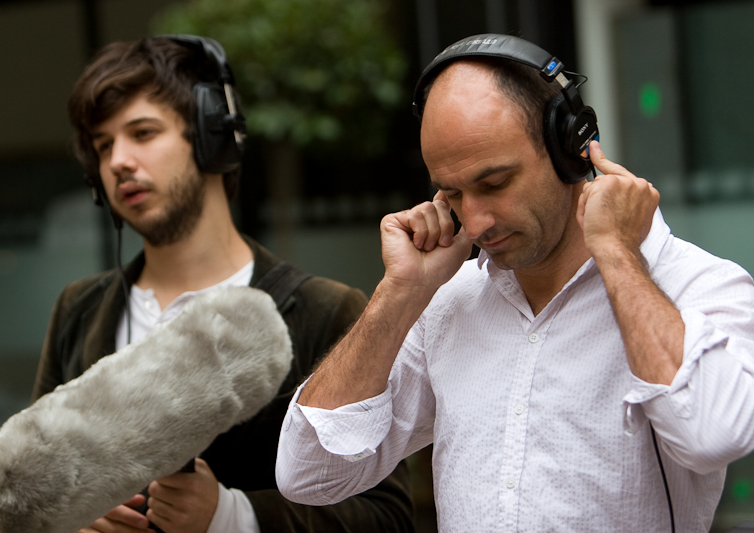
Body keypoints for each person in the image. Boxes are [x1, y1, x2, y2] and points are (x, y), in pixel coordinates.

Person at [275, 34, 754, 532]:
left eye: (495, 183)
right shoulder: (446, 303)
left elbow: (714, 435)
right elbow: (308, 475)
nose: (476, 223)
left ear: (571, 147)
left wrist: (617, 253)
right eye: (453, 193)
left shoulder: (697, 284)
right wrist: (401, 293)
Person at [31, 35, 414, 533]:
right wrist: (72, 517)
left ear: (214, 138)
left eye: (142, 133)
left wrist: (231, 516)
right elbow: (34, 487)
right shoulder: (78, 309)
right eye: (103, 147)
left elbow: (387, 518)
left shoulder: (323, 309)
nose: (118, 160)